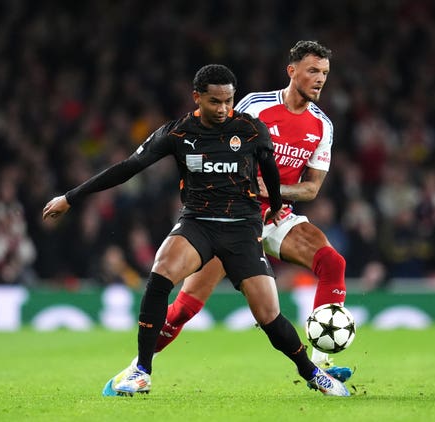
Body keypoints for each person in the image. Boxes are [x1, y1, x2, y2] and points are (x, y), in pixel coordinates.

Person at [42, 64, 350, 397]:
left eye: (228, 102)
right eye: (215, 102)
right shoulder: (178, 133)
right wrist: (71, 197)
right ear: (197, 98)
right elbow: (127, 168)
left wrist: (275, 204)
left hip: (242, 229)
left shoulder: (251, 129)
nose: (222, 110)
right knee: (160, 275)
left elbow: (272, 175)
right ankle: (141, 370)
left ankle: (314, 372)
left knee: (270, 317)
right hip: (198, 224)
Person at [138, 40, 351, 373]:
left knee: (332, 261)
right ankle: (137, 367)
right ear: (292, 71)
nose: (320, 78)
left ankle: (323, 359)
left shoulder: (322, 125)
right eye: (312, 70)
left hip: (278, 216)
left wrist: (277, 193)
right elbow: (221, 148)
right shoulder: (256, 106)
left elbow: (311, 187)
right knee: (184, 308)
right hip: (232, 217)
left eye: (324, 72)